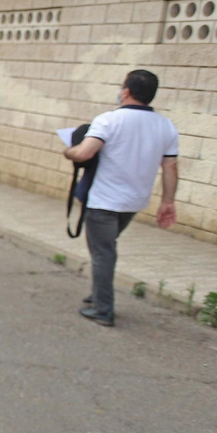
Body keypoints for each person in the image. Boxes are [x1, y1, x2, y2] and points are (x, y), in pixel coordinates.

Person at [63, 69, 179, 327]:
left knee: (103, 253)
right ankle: (98, 294)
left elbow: (84, 153)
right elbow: (170, 166)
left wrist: (69, 151)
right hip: (133, 202)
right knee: (103, 248)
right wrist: (168, 201)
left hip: (104, 200)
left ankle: (103, 310)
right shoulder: (166, 126)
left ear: (126, 91)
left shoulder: (109, 120)